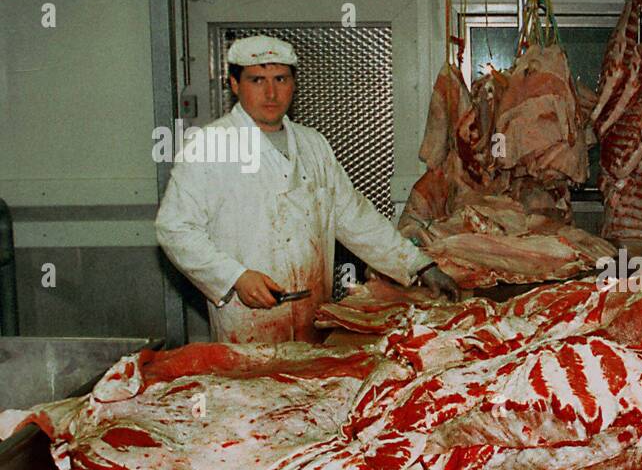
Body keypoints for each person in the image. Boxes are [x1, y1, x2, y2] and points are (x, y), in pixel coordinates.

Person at [156, 35, 459, 343]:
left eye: (281, 79)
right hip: (247, 322)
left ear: (294, 83)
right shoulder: (209, 146)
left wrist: (418, 265)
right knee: (252, 388)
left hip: (313, 315)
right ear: (234, 85)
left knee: (312, 387)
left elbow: (354, 217)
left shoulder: (313, 144)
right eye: (257, 80)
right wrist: (234, 277)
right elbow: (175, 228)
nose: (271, 93)